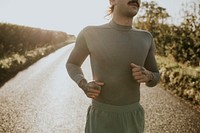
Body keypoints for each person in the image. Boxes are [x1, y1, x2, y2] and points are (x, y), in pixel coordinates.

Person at [66, 0, 160, 132]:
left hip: (133, 119)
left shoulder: (146, 37)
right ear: (112, 1)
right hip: (101, 118)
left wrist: (149, 76)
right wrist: (83, 84)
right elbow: (72, 63)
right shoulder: (90, 33)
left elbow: (156, 76)